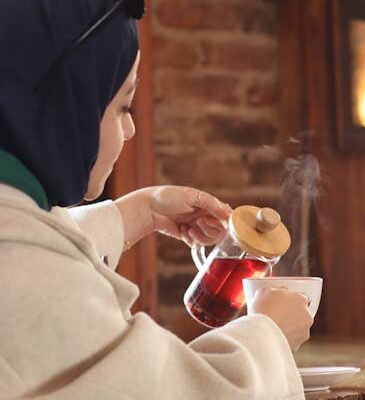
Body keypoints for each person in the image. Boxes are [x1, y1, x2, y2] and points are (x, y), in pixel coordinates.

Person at [0, 1, 313, 399]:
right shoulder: (21, 262)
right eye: (122, 107)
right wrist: (269, 336)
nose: (130, 130)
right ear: (65, 108)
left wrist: (139, 211)